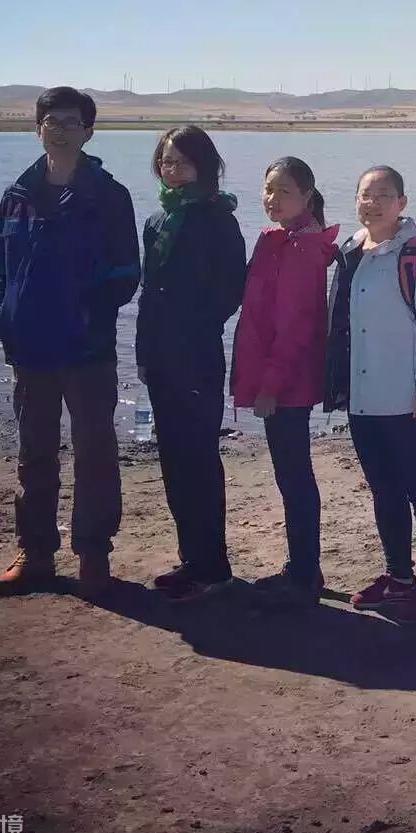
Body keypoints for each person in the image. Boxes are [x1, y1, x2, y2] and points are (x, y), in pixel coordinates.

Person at [0, 86, 139, 599]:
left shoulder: (109, 196)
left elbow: (126, 273)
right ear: (38, 130)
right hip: (30, 348)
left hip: (86, 349)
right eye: (52, 121)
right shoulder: (17, 194)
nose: (60, 130)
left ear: (88, 132)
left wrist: (87, 314)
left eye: (71, 122)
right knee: (34, 454)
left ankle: (94, 554)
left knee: (95, 452)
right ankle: (36, 555)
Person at [323, 165, 416, 621]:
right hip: (364, 398)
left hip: (408, 398)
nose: (373, 203)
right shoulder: (352, 252)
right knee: (384, 491)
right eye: (365, 194)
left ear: (402, 203)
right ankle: (398, 575)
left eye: (384, 195)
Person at [136, 126, 246, 602]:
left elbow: (231, 290)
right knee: (173, 458)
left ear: (203, 166)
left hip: (198, 354)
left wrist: (192, 325)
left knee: (199, 457)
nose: (173, 170)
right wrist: (144, 353)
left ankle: (214, 567)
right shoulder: (157, 220)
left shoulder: (217, 219)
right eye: (166, 161)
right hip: (159, 355)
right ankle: (191, 560)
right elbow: (147, 292)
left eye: (182, 162)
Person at [232, 157, 339, 608]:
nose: (273, 199)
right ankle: (300, 567)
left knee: (294, 476)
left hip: (287, 383)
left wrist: (270, 387)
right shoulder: (274, 238)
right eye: (269, 189)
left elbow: (295, 329)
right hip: (274, 376)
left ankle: (304, 573)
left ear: (307, 197)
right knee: (289, 473)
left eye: (284, 191)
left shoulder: (302, 249)